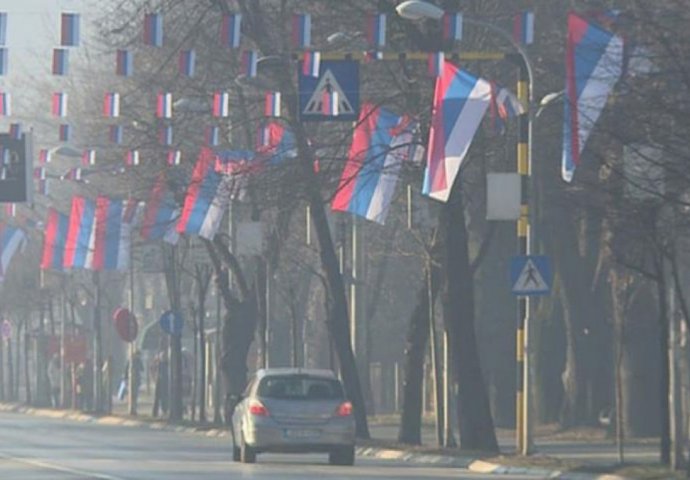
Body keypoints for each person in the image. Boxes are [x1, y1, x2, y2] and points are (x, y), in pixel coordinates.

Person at [152, 349, 169, 417]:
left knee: (163, 397)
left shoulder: (166, 364)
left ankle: (163, 411)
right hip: (160, 381)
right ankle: (156, 412)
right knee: (158, 397)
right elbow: (153, 369)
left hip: (164, 382)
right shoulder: (159, 364)